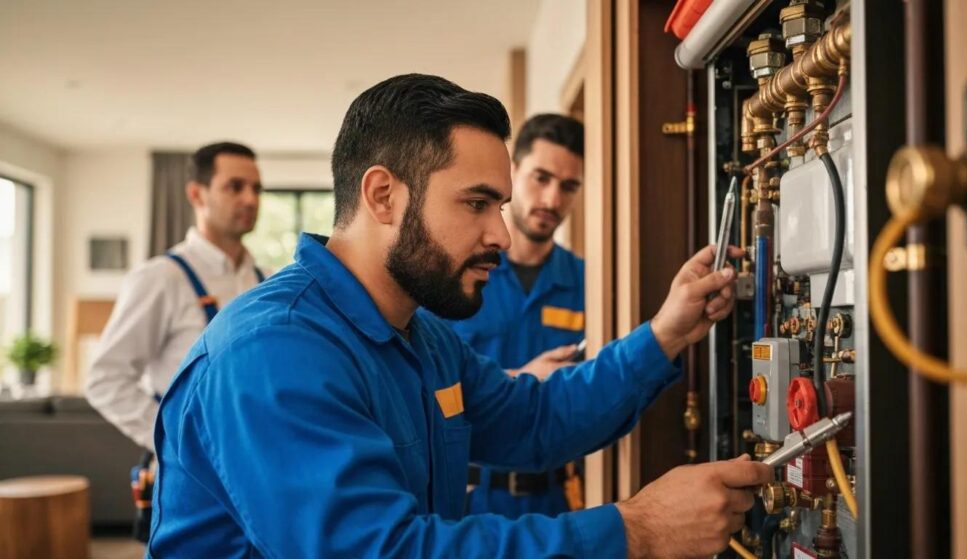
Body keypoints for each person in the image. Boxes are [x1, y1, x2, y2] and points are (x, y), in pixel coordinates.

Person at [149, 74, 769, 558]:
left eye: (499, 204)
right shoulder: (273, 350)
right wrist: (639, 530)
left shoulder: (424, 338)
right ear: (383, 195)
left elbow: (535, 419)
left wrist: (669, 332)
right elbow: (378, 552)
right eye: (476, 203)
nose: (500, 232)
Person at [446, 113, 587, 518]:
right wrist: (521, 380)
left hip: (556, 503)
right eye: (540, 178)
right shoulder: (460, 276)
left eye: (568, 186)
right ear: (513, 173)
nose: (551, 200)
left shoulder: (589, 284)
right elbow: (428, 383)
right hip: (469, 502)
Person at [86, 141, 265, 451]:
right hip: (190, 478)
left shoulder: (266, 280)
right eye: (235, 187)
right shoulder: (161, 277)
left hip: (253, 461)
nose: (250, 199)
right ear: (196, 194)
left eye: (256, 189)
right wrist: (176, 441)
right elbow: (105, 379)